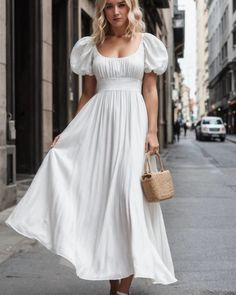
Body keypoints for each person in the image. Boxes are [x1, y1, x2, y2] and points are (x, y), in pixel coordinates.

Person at [5, 0, 178, 294]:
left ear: (131, 7)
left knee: (128, 199)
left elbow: (150, 90)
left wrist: (151, 131)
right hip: (99, 127)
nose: (116, 12)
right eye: (109, 6)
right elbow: (87, 95)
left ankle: (122, 288)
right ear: (103, 11)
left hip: (132, 127)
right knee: (104, 205)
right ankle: (114, 283)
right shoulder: (91, 46)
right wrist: (71, 131)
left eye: (122, 4)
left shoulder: (146, 43)